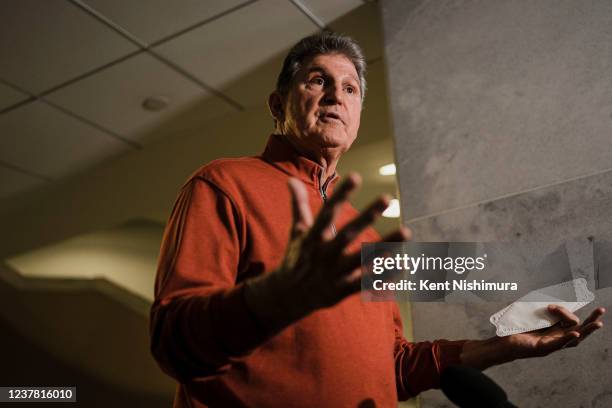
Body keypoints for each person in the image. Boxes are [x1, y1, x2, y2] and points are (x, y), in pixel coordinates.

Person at [149, 32, 605, 407]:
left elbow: (394, 365)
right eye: (317, 81)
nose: (335, 96)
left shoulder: (364, 232)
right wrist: (270, 299)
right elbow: (172, 343)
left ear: (359, 113)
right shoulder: (224, 184)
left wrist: (497, 349)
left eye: (350, 88)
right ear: (277, 103)